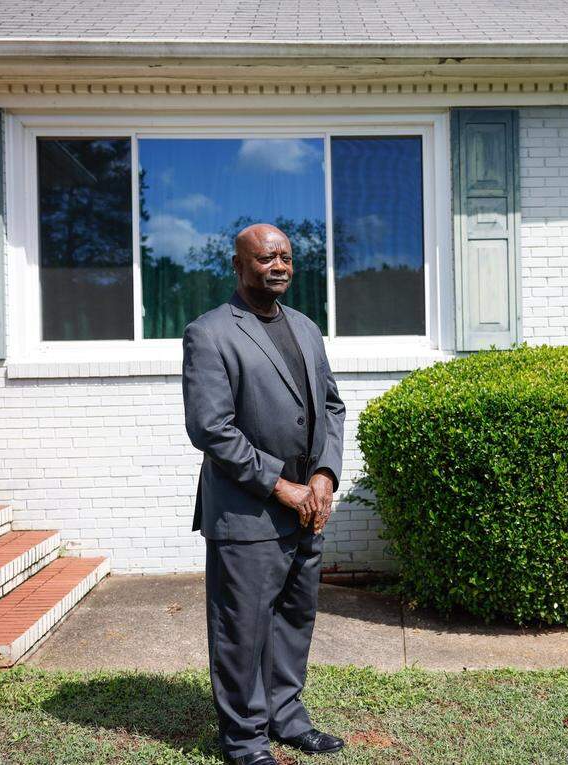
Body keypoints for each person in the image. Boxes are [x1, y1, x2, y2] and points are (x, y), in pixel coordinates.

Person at [182, 222, 347, 765]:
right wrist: (283, 486)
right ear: (238, 265)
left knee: (294, 619)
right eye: (265, 258)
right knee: (242, 629)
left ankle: (287, 716)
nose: (278, 265)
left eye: (286, 257)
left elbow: (331, 407)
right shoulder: (209, 333)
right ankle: (244, 741)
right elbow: (212, 429)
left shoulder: (306, 328)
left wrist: (322, 477)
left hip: (308, 508)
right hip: (249, 511)